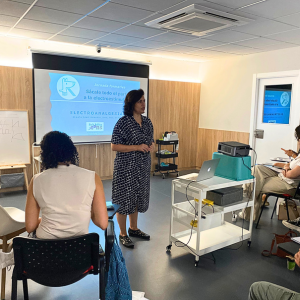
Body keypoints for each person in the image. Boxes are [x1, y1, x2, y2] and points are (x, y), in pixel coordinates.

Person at [26, 131, 108, 238]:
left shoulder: (36, 180)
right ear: (71, 150)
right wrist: (87, 212)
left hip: (44, 249)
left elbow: (30, 227)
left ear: (44, 153)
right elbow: (103, 223)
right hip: (80, 249)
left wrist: (45, 218)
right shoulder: (92, 177)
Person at [111, 89, 154, 248]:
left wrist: (151, 146)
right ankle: (122, 233)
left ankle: (133, 229)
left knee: (136, 197)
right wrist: (136, 147)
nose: (144, 104)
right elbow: (114, 146)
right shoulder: (123, 122)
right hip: (125, 168)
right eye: (140, 101)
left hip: (142, 168)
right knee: (123, 200)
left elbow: (151, 141)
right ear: (132, 104)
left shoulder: (147, 122)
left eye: (144, 100)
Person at [241, 125, 300, 222]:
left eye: (298, 138)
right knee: (257, 168)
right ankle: (248, 210)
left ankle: (247, 209)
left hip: (289, 185)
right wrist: (287, 166)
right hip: (282, 177)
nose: (298, 141)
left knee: (255, 183)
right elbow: (289, 166)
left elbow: (290, 175)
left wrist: (286, 168)